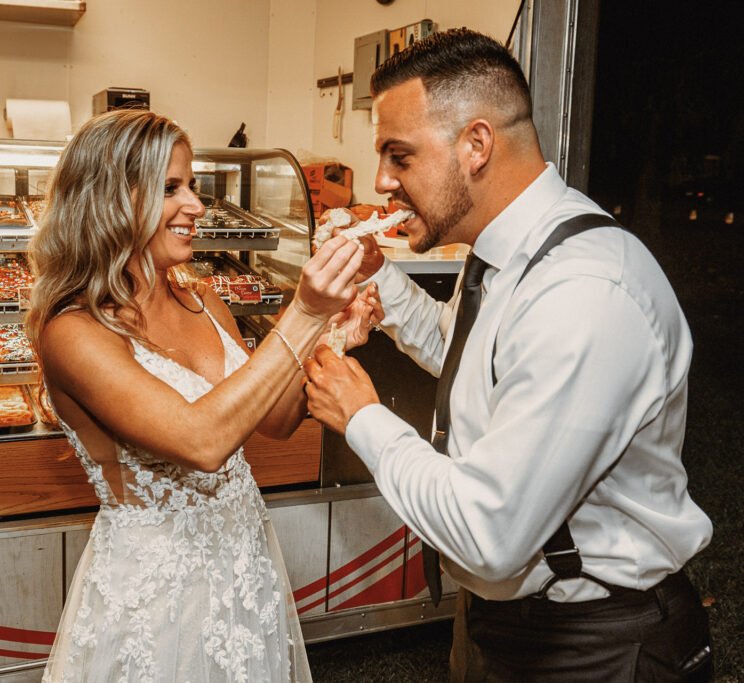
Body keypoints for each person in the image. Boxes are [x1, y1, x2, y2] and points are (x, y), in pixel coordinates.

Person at [302, 28, 714, 681]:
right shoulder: (507, 251)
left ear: (476, 145)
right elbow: (468, 357)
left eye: (399, 155)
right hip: (504, 619)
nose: (380, 179)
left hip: (596, 642)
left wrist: (362, 418)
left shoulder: (584, 290)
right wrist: (377, 274)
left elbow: (490, 537)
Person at [26, 109, 381, 681]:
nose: (195, 204)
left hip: (243, 568)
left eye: (191, 185)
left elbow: (275, 420)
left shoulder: (202, 299)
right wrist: (304, 311)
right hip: (157, 598)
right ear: (112, 200)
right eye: (171, 188)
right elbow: (203, 439)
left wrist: (333, 331)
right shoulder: (74, 332)